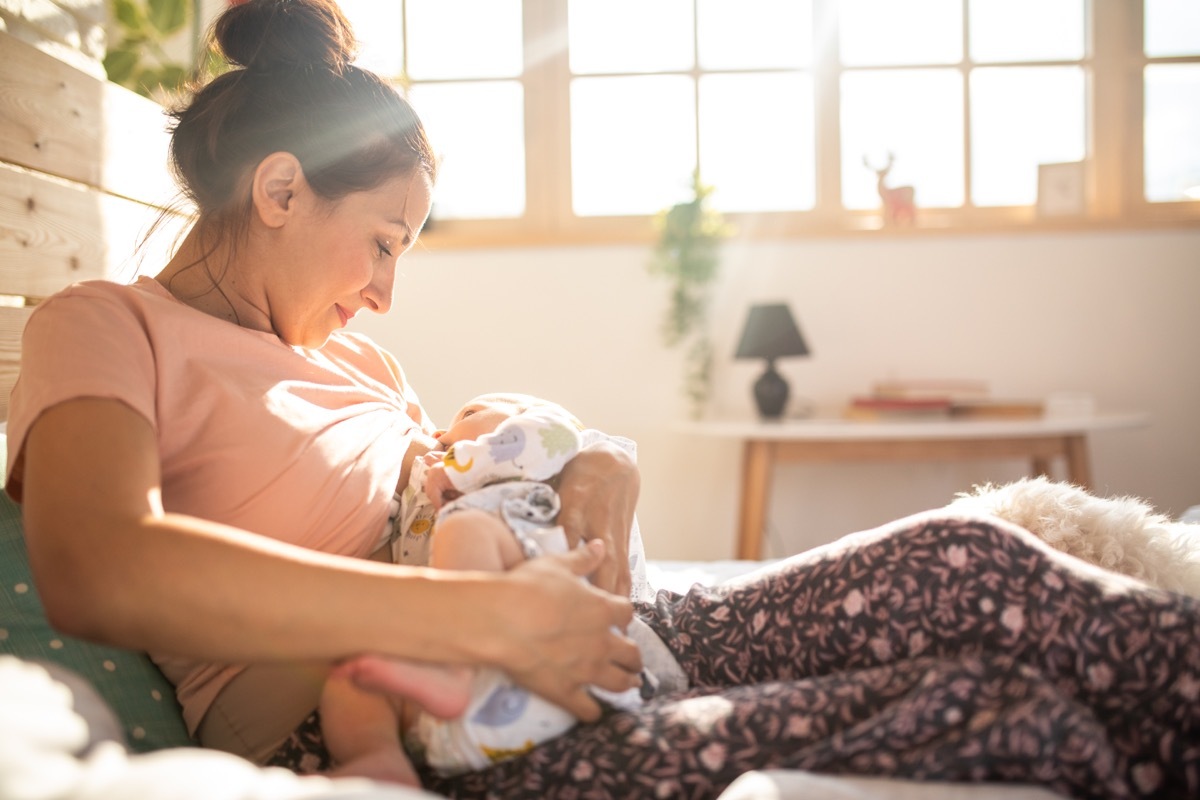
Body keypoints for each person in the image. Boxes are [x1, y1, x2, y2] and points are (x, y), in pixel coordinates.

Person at [5, 2, 1198, 799]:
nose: (384, 293)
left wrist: (590, 451)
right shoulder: (102, 327)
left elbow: (468, 480)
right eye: (380, 242)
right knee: (993, 714)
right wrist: (465, 625)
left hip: (575, 631)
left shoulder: (357, 365)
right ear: (277, 189)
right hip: (408, 717)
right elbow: (100, 565)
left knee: (967, 560)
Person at [322, 392, 645, 785]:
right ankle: (381, 761)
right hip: (482, 719)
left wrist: (463, 464)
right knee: (353, 677)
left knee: (465, 527)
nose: (440, 431)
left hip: (556, 648)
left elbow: (553, 433)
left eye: (470, 413)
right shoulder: (422, 494)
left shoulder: (543, 462)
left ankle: (456, 668)